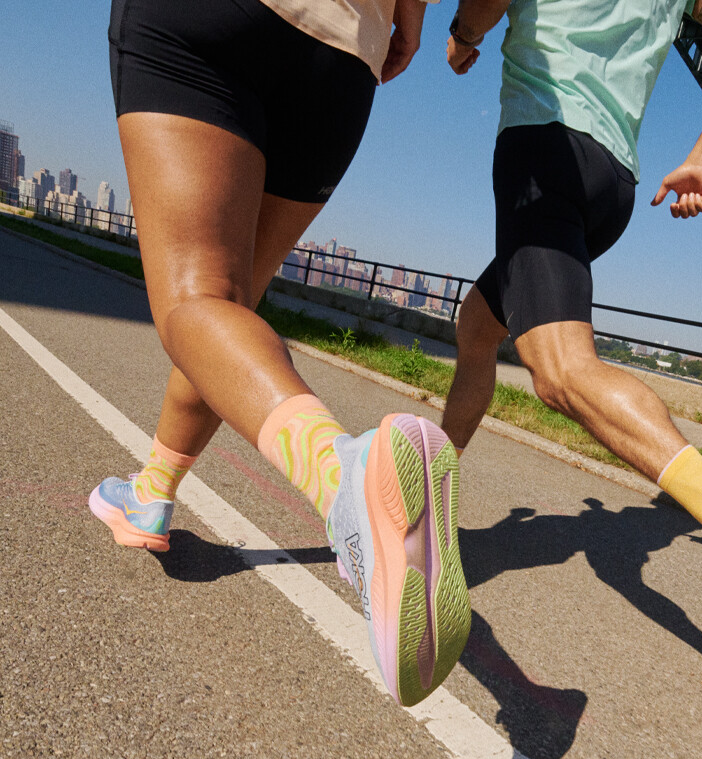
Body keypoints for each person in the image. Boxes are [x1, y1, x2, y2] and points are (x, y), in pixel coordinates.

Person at [88, 0, 471, 706]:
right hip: (345, 54)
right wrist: (409, 19)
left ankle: (346, 480)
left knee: (195, 300)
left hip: (214, 18)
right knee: (226, 308)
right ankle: (150, 496)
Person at [441, 0, 702, 649]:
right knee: (477, 326)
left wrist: (463, 33)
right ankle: (429, 497)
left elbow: (485, 5)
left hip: (544, 150)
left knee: (559, 370)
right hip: (611, 184)